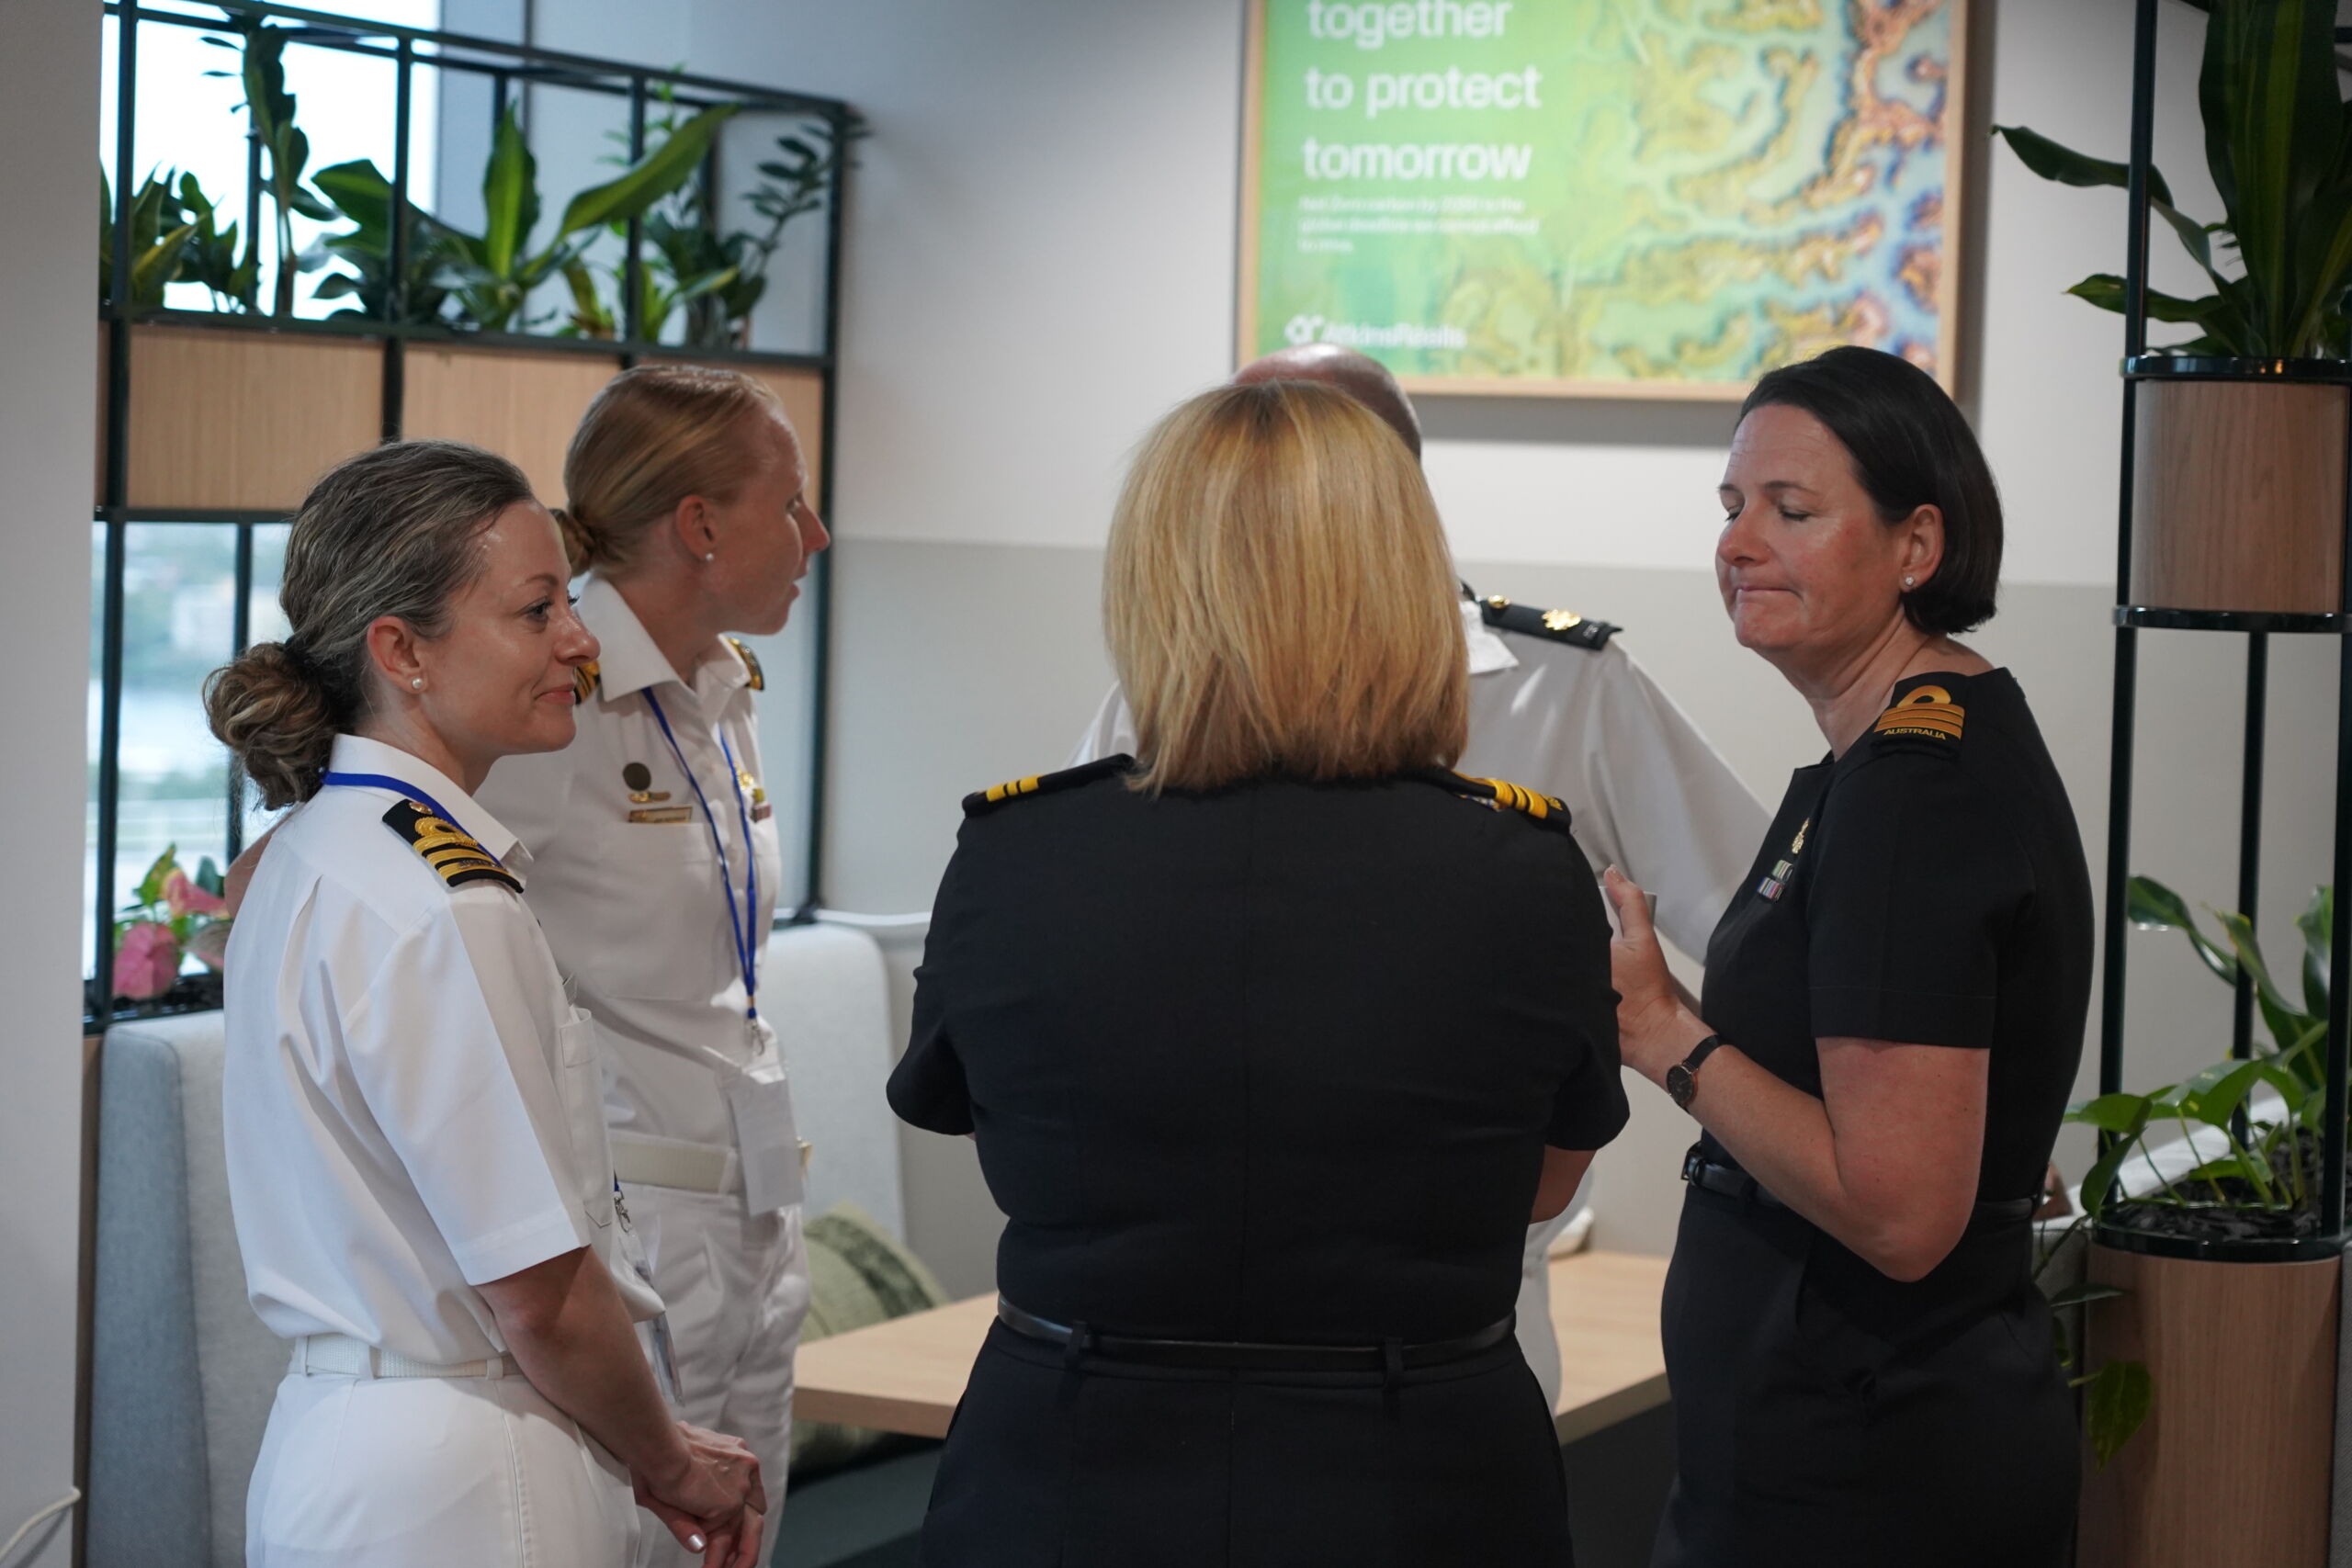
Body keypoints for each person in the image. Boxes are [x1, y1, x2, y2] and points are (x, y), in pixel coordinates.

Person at [890, 380, 1628, 1566]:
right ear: (1403, 587)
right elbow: (1545, 1183)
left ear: (1150, 588)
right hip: (1415, 1475)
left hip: (1070, 1468)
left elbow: (999, 1133)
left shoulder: (1018, 853)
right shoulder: (1521, 867)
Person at [1070, 343, 1765, 1404]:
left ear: (1380, 489)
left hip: (1455, 1310)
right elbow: (1075, 954)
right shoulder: (1158, 697)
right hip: (1190, 1291)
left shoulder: (1558, 690)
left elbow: (1765, 936)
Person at [206, 440, 765, 1568]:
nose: (580, 640)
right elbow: (540, 1295)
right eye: (536, 609)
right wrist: (670, 1462)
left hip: (339, 1452)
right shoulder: (447, 900)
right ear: (402, 652)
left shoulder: (308, 854)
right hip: (466, 1471)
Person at [1604, 346, 2090, 1567]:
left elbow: (1898, 1209)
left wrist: (1665, 1036)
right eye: (1732, 506)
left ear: (1916, 545)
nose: (1739, 543)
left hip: (1867, 1460)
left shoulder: (1913, 793)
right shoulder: (1898, 752)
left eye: (1792, 510)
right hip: (1838, 1436)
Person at [472, 365, 828, 1563]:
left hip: (755, 1204)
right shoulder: (553, 701)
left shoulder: (724, 688)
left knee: (747, 1541)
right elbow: (358, 870)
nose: (816, 535)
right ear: (700, 525)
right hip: (631, 1227)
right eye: (792, 503)